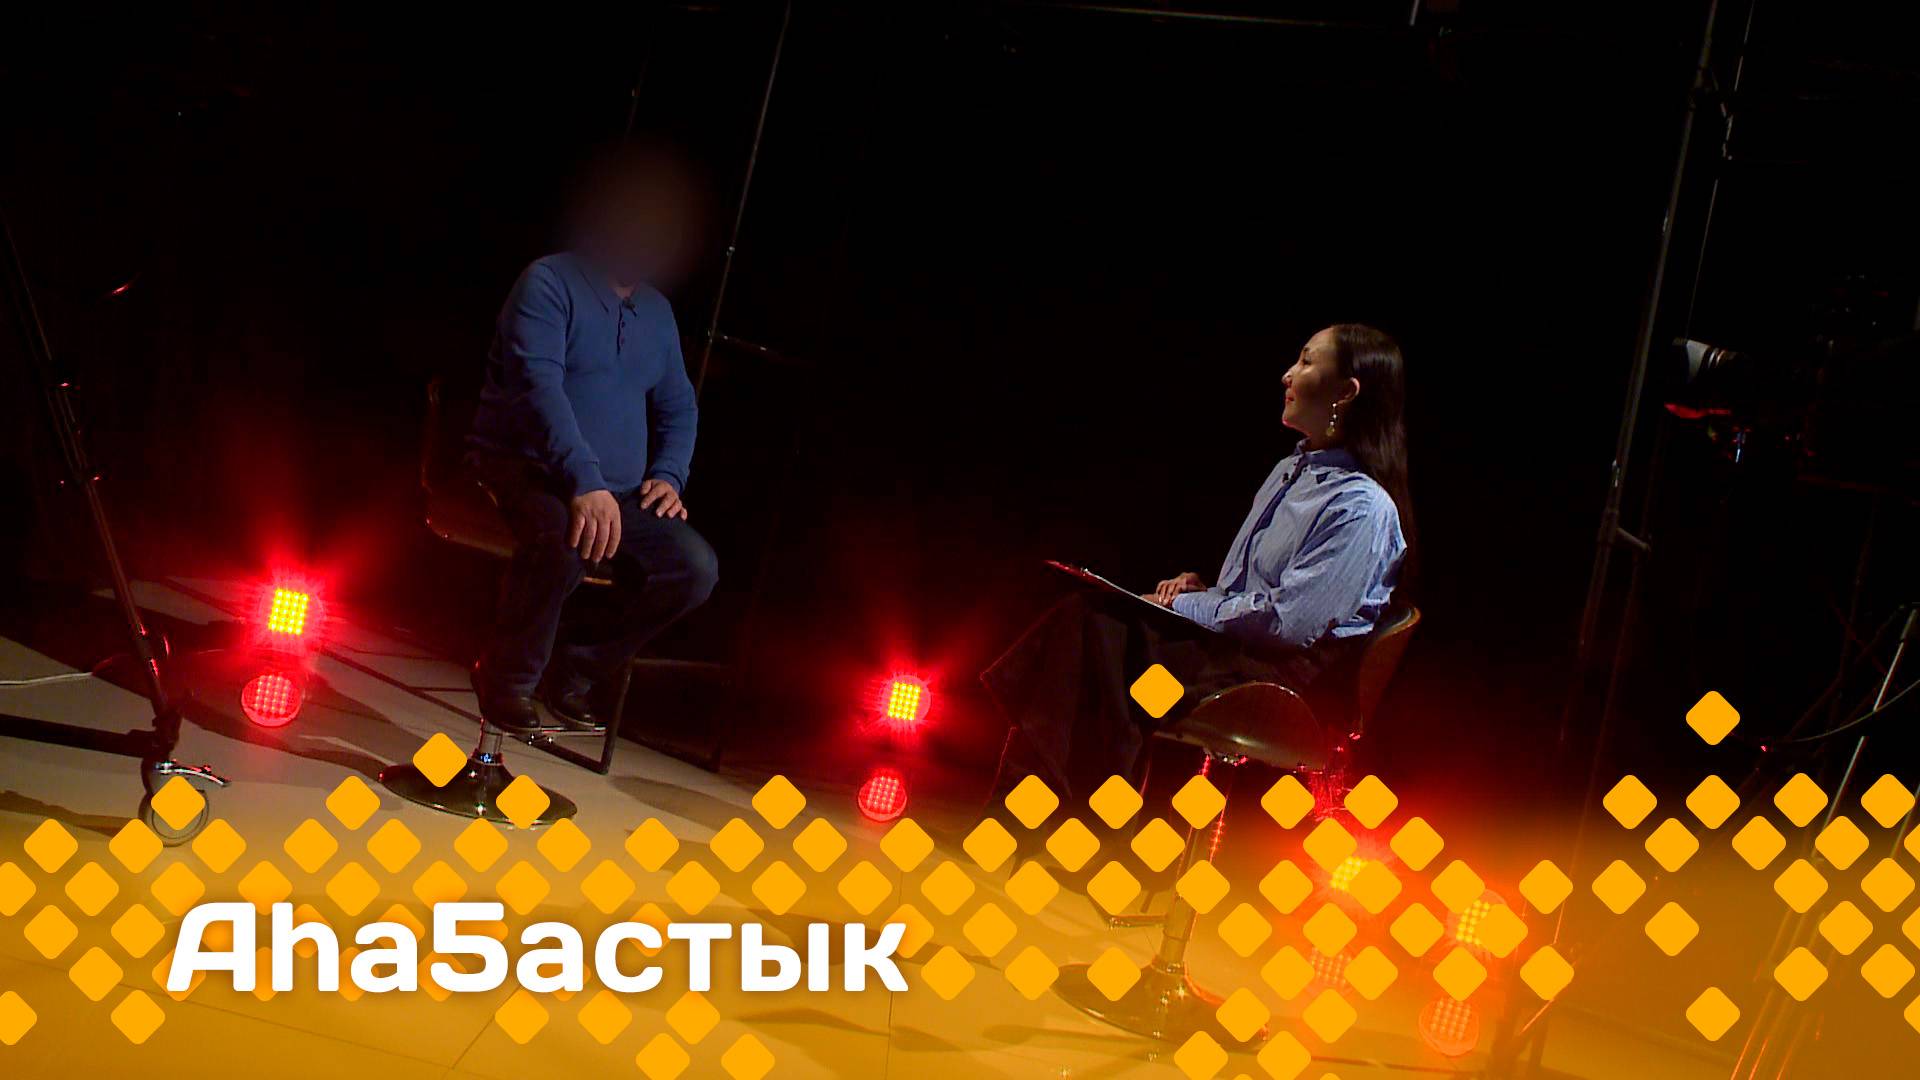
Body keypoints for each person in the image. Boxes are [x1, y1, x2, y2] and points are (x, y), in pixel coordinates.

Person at [981, 323, 1412, 798]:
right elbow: (1253, 598)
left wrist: (1182, 607)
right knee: (1092, 630)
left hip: (1278, 684)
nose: (1288, 374)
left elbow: (1286, 625)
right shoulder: (1289, 471)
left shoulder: (1361, 507)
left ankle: (1054, 816)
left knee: (1101, 638)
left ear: (1346, 392)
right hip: (1234, 655)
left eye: (1307, 361)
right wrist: (1203, 592)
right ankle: (1055, 813)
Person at [465, 147, 718, 734]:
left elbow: (679, 406)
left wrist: (670, 474)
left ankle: (576, 670)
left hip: (617, 489)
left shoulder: (656, 312)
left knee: (694, 568)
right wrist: (584, 480)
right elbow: (538, 388)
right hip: (529, 468)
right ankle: (506, 680)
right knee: (565, 537)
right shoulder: (549, 282)